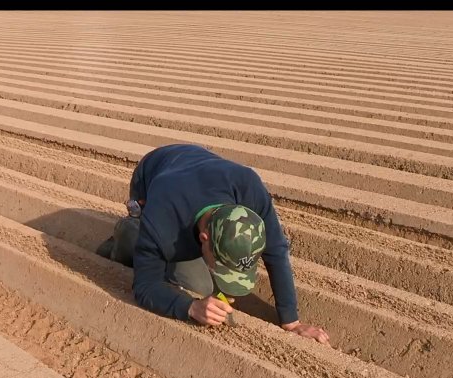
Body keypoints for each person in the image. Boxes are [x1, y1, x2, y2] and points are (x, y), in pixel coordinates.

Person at [96, 143, 330, 345]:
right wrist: (190, 307)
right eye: (221, 265)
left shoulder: (249, 189)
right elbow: (146, 287)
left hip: (199, 163)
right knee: (194, 285)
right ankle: (127, 231)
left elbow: (277, 251)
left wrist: (291, 321)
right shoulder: (163, 222)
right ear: (203, 240)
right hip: (153, 174)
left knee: (202, 283)